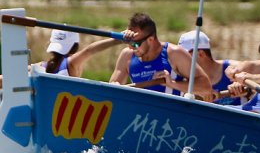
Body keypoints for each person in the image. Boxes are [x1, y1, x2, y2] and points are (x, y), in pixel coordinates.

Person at [108, 13, 213, 97]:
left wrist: (172, 84)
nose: (131, 47)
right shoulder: (127, 55)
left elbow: (206, 88)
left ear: (150, 39)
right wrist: (114, 86)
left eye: (135, 43)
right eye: (128, 42)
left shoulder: (174, 54)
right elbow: (111, 90)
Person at [0, 29, 130, 88]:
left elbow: (7, 77)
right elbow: (90, 50)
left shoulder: (43, 66)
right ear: (75, 46)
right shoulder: (72, 63)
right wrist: (118, 40)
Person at [172, 30, 244, 105]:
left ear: (200, 54)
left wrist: (244, 86)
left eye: (185, 56)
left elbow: (255, 83)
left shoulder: (235, 68)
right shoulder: (184, 79)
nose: (180, 60)